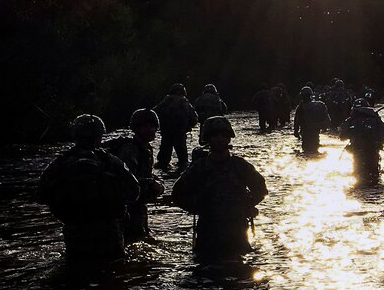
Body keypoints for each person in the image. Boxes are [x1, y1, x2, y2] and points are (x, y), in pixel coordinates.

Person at [38, 114, 140, 262]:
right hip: (109, 231)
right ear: (99, 136)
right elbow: (134, 191)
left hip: (75, 231)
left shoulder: (60, 162)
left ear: (75, 135)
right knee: (113, 273)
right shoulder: (110, 161)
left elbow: (41, 195)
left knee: (75, 274)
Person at [171, 116, 268, 262]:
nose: (220, 139)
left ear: (229, 138)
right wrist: (198, 206)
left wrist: (246, 205)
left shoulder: (240, 166)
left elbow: (261, 189)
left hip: (237, 229)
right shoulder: (199, 167)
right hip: (209, 229)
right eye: (215, 135)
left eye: (224, 135)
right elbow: (178, 194)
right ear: (208, 139)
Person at [104, 108, 165, 243]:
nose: (149, 130)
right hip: (126, 208)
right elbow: (126, 181)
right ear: (136, 129)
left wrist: (156, 182)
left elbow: (145, 175)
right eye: (145, 127)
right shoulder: (130, 150)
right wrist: (151, 184)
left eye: (152, 126)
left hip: (137, 205)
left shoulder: (145, 148)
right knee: (132, 240)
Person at [339, 99, 384, 183]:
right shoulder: (375, 119)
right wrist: (380, 141)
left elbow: (342, 137)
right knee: (374, 176)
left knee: (358, 177)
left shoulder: (351, 120)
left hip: (358, 153)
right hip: (373, 152)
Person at [153, 83, 198, 170]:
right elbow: (195, 118)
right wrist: (188, 127)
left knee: (163, 160)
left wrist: (157, 127)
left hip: (166, 133)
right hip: (180, 133)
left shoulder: (165, 101)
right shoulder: (185, 102)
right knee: (183, 160)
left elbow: (154, 113)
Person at [292, 86, 331, 153]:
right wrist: (323, 127)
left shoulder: (301, 107)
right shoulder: (319, 105)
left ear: (302, 96)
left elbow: (297, 120)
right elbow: (327, 120)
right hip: (316, 132)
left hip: (306, 133)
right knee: (315, 149)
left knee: (306, 151)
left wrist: (296, 131)